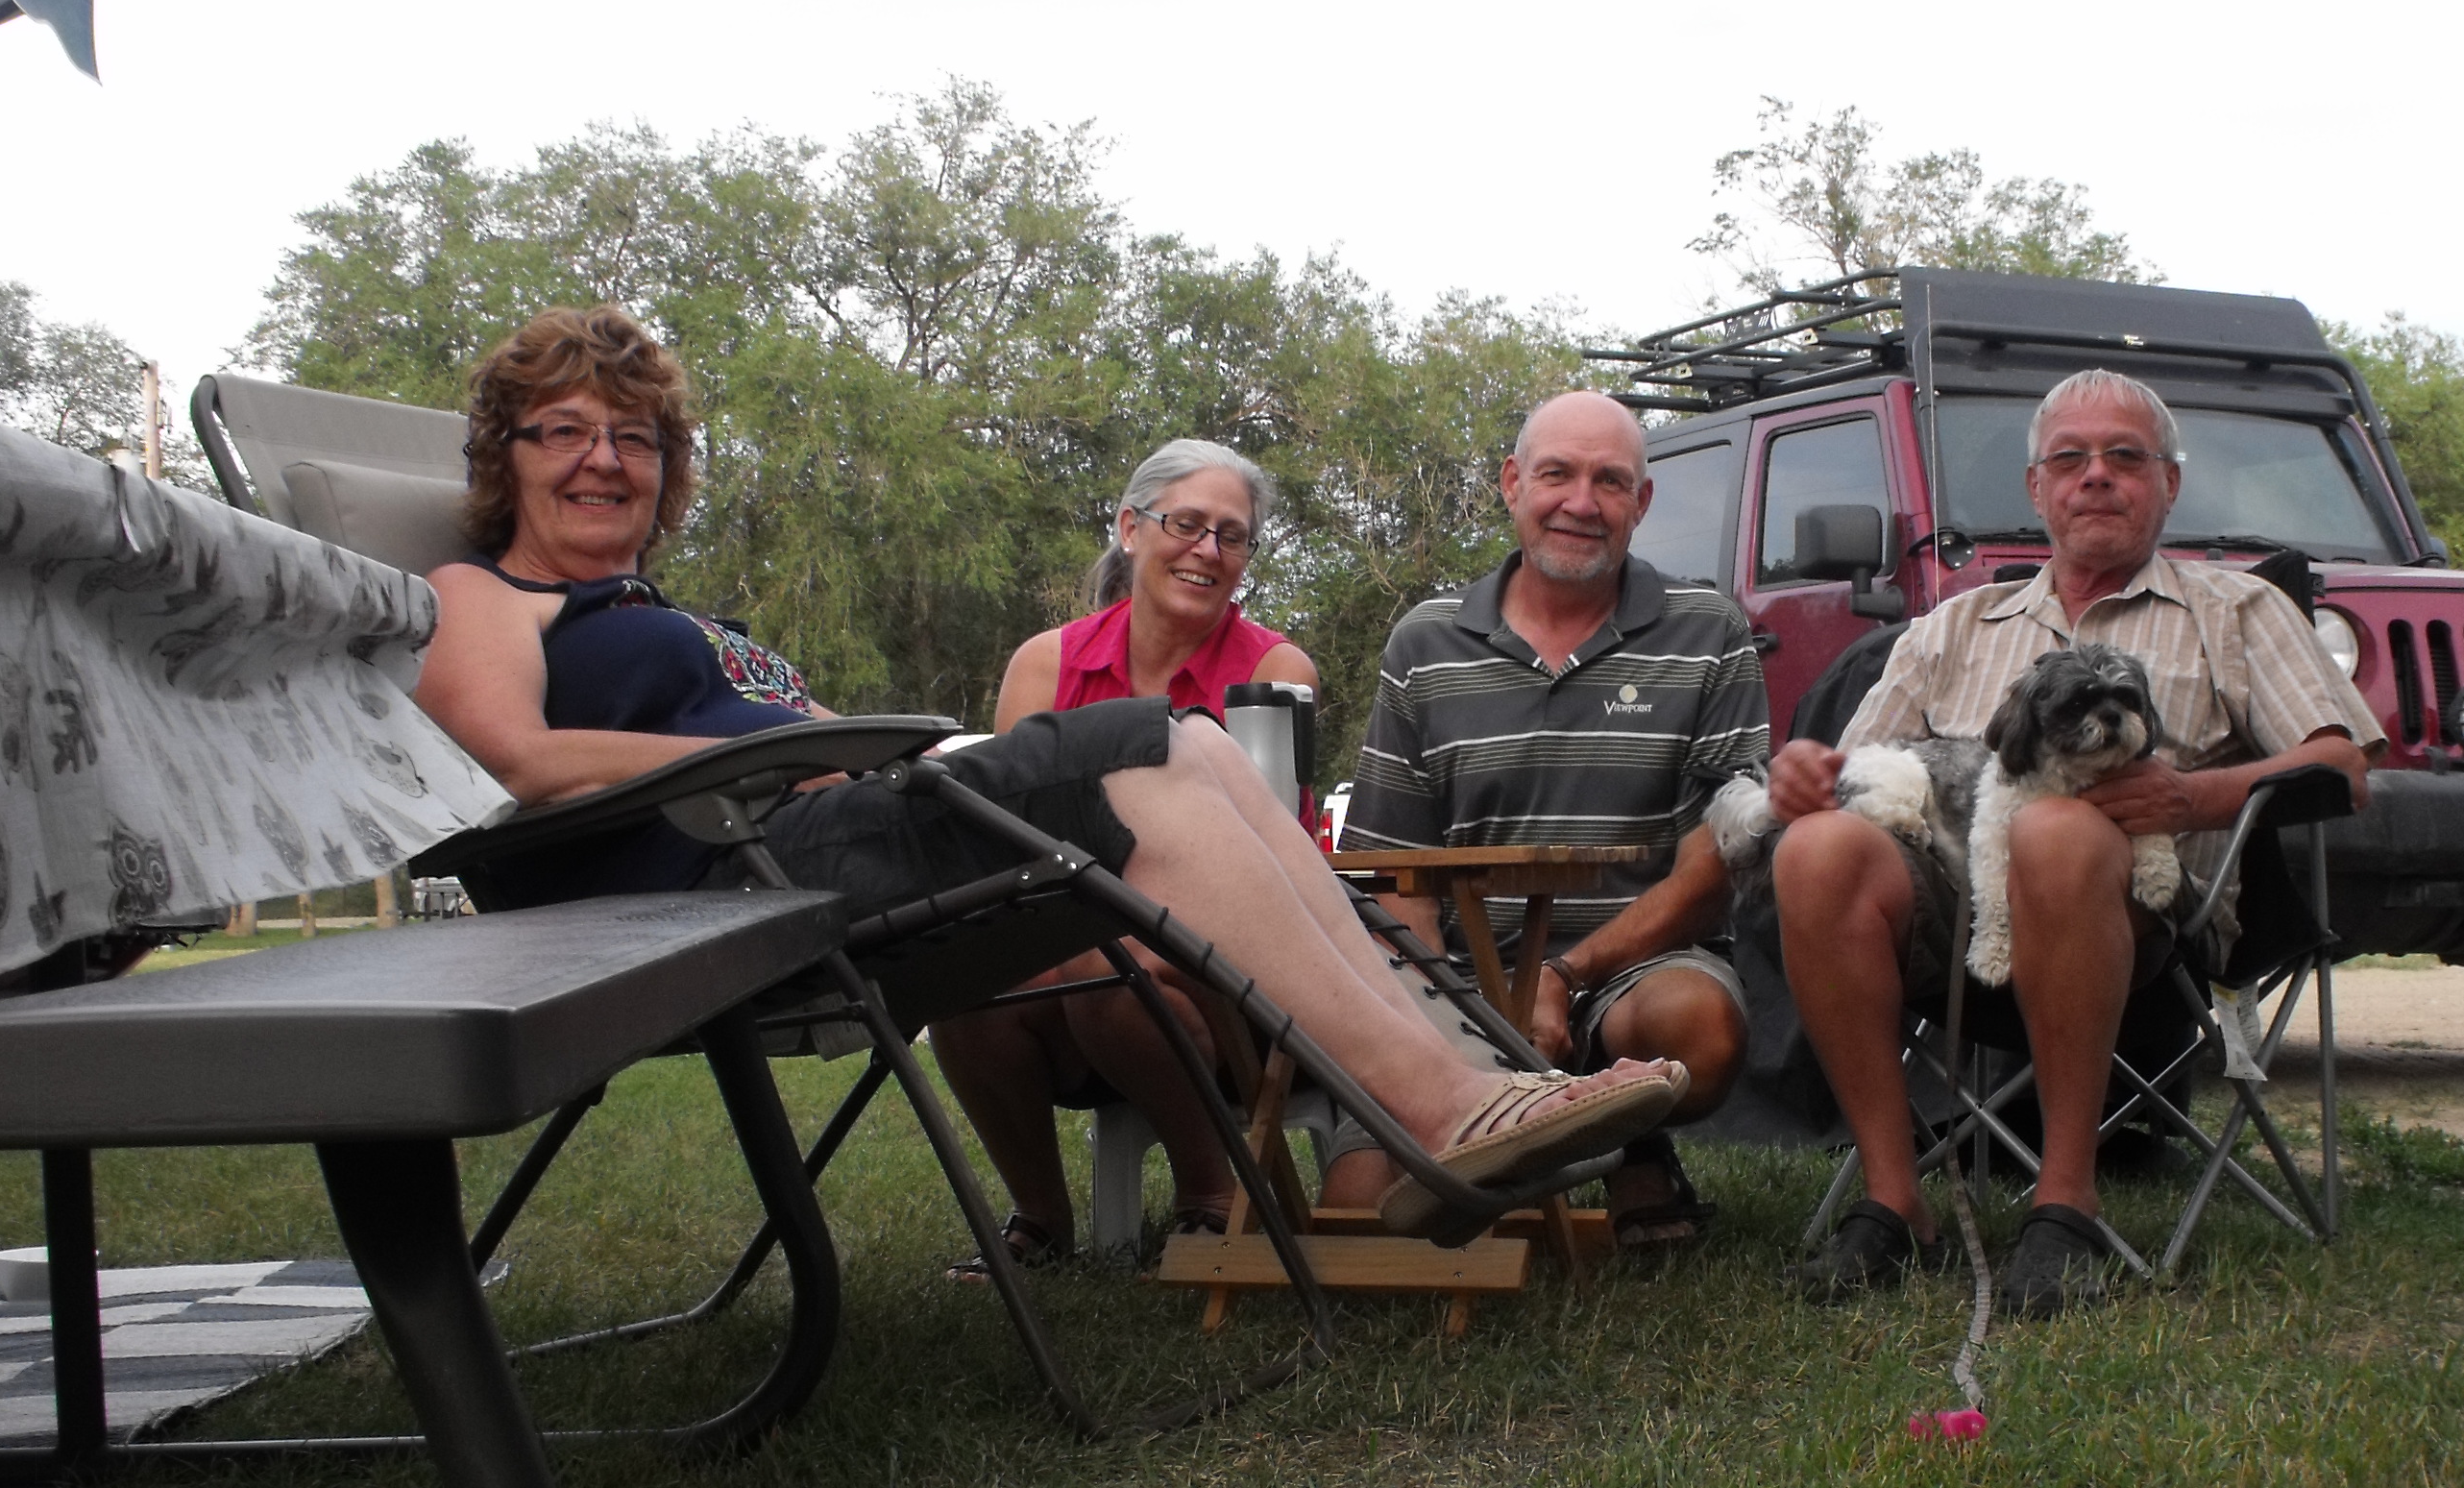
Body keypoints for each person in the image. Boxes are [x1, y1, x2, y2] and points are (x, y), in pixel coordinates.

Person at [411, 306, 1683, 1253]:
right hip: (729, 883)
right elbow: (516, 760)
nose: (603, 460)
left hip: (817, 836)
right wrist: (767, 759)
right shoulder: (482, 593)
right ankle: (1443, 1109)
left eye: (633, 438)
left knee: (1194, 749)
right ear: (504, 457)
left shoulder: (659, 613)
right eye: (564, 432)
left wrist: (861, 746)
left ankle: (1449, 1098)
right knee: (1155, 748)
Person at [1767, 367, 2380, 1315]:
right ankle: (1894, 1199)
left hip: (2146, 922)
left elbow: (2344, 766)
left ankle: (2065, 1203)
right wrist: (1805, 772)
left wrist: (2194, 796)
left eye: (2124, 457)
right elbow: (1850, 772)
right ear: (2036, 488)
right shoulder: (1955, 625)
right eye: (2070, 459)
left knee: (2053, 828)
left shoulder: (2239, 610)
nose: (2095, 475)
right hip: (1956, 913)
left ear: (2169, 483)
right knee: (1816, 851)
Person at [1326, 390, 1768, 1247]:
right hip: (1462, 978)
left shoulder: (1708, 630)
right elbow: (1393, 870)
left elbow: (1717, 865)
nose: (1581, 502)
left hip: (1634, 972)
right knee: (1362, 1216)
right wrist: (1443, 1015)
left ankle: (1619, 1129)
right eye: (1557, 474)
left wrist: (1562, 977)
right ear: (1512, 484)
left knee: (1701, 1032)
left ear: (1642, 502)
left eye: (1610, 482)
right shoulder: (1424, 641)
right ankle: (1597, 1144)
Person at [924, 440, 1317, 1271]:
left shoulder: (1275, 670)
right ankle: (1039, 1219)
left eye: (1232, 536)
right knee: (962, 978)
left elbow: (1267, 865)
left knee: (1108, 961)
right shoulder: (1047, 663)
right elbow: (1011, 848)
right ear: (1131, 529)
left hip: (1239, 966)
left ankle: (1212, 1194)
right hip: (1075, 945)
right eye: (1187, 524)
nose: (1207, 549)